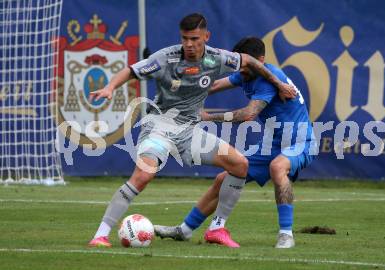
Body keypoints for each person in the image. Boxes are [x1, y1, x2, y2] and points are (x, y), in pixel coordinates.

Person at [88, 15, 296, 248]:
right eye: (185, 38)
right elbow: (131, 71)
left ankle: (217, 229)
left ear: (206, 37)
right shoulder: (165, 58)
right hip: (160, 126)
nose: (189, 44)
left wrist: (278, 84)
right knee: (144, 175)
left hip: (189, 130)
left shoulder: (217, 58)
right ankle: (101, 235)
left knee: (239, 165)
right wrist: (109, 87)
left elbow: (248, 60)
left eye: (194, 38)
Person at [154, 37, 316, 248]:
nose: (242, 69)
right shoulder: (246, 73)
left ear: (260, 60)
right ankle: (184, 230)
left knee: (278, 167)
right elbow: (215, 85)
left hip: (301, 140)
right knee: (224, 178)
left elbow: (248, 114)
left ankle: (286, 235)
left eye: (247, 65)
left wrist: (206, 117)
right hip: (274, 142)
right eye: (241, 64)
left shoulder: (267, 79)